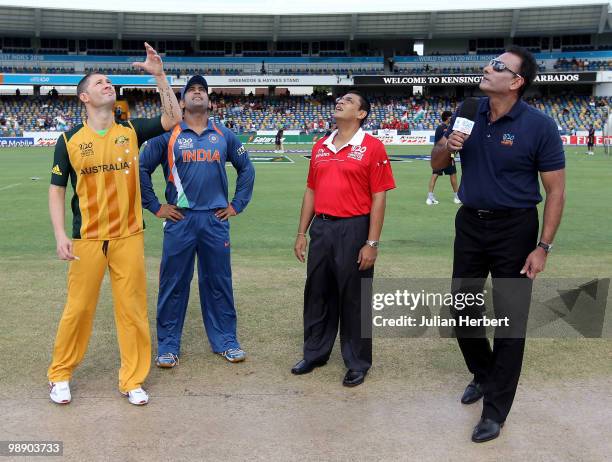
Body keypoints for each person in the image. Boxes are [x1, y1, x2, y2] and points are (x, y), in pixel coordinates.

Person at [431, 46, 565, 442]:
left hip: (516, 229)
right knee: (462, 312)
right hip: (470, 224)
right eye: (490, 63)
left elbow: (555, 192)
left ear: (517, 82)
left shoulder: (539, 126)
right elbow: (438, 164)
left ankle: (495, 411)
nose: (487, 69)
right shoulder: (468, 111)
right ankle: (484, 374)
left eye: (498, 66)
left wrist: (543, 247)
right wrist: (445, 146)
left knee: (509, 324)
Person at [47, 42, 182, 406]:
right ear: (84, 97)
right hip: (87, 239)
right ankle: (60, 375)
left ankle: (133, 379)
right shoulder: (69, 140)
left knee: (133, 310)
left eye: (110, 82)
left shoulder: (130, 131)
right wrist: (61, 235)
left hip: (128, 236)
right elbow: (57, 190)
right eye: (100, 82)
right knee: (78, 309)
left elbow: (172, 119)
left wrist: (160, 76)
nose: (108, 85)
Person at [140, 75, 255, 368]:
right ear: (181, 102)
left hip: (215, 220)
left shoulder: (224, 134)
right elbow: (140, 168)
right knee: (173, 283)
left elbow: (247, 169)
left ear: (210, 101)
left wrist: (236, 205)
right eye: (191, 90)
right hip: (180, 220)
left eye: (202, 90)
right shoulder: (167, 135)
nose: (197, 93)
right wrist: (155, 206)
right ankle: (167, 345)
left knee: (218, 282)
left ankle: (226, 340)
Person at [292, 91, 396, 387]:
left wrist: (372, 242)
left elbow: (379, 197)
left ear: (361, 114)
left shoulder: (372, 147)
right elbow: (311, 191)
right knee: (317, 294)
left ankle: (357, 362)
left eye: (349, 100)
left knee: (354, 298)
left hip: (354, 229)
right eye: (340, 99)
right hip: (322, 229)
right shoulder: (320, 145)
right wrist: (302, 232)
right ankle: (315, 353)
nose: (341, 101)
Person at [427, 110, 461, 205]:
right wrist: (452, 156)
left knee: (436, 175)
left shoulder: (442, 128)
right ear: (448, 118)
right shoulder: (444, 128)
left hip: (439, 156)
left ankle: (430, 197)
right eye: (451, 116)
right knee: (452, 174)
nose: (453, 118)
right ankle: (456, 197)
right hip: (445, 155)